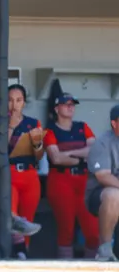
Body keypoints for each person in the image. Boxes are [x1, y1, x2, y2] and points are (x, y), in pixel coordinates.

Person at [0, 84, 43, 259]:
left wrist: (37, 143)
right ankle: (15, 254)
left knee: (27, 221)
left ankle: (22, 256)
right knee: (12, 217)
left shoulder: (33, 123)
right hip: (7, 174)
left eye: (18, 100)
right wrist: (10, 127)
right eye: (10, 100)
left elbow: (39, 155)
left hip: (30, 175)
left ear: (24, 103)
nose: (14, 105)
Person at [43, 93, 99, 259]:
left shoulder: (82, 127)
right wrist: (81, 157)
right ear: (56, 108)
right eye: (65, 104)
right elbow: (56, 158)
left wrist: (69, 154)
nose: (70, 107)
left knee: (93, 231)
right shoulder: (49, 131)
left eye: (72, 104)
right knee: (66, 228)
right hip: (60, 180)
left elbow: (94, 152)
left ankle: (93, 270)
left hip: (84, 181)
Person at [84, 104, 119, 261]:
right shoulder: (103, 143)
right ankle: (105, 248)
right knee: (114, 194)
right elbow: (103, 177)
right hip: (99, 196)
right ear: (114, 123)